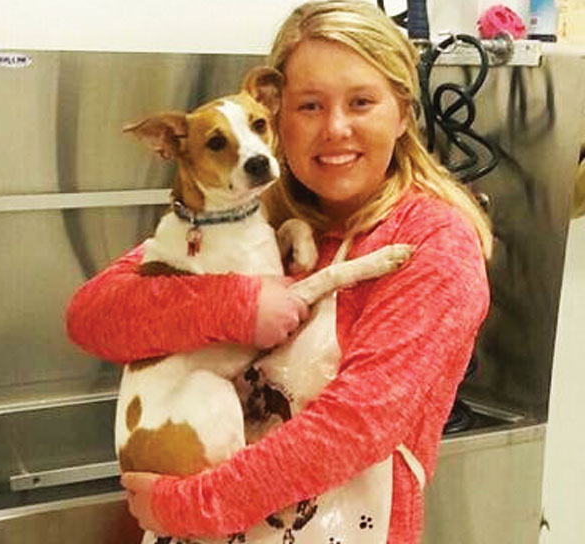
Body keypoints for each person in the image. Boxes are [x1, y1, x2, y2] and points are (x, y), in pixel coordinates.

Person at [66, 1, 492, 542]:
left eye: (361, 102)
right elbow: (92, 318)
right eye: (309, 105)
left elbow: (358, 424)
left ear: (402, 112)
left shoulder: (434, 241)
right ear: (278, 116)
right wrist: (239, 306)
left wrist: (186, 507)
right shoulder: (247, 210)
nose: (336, 128)